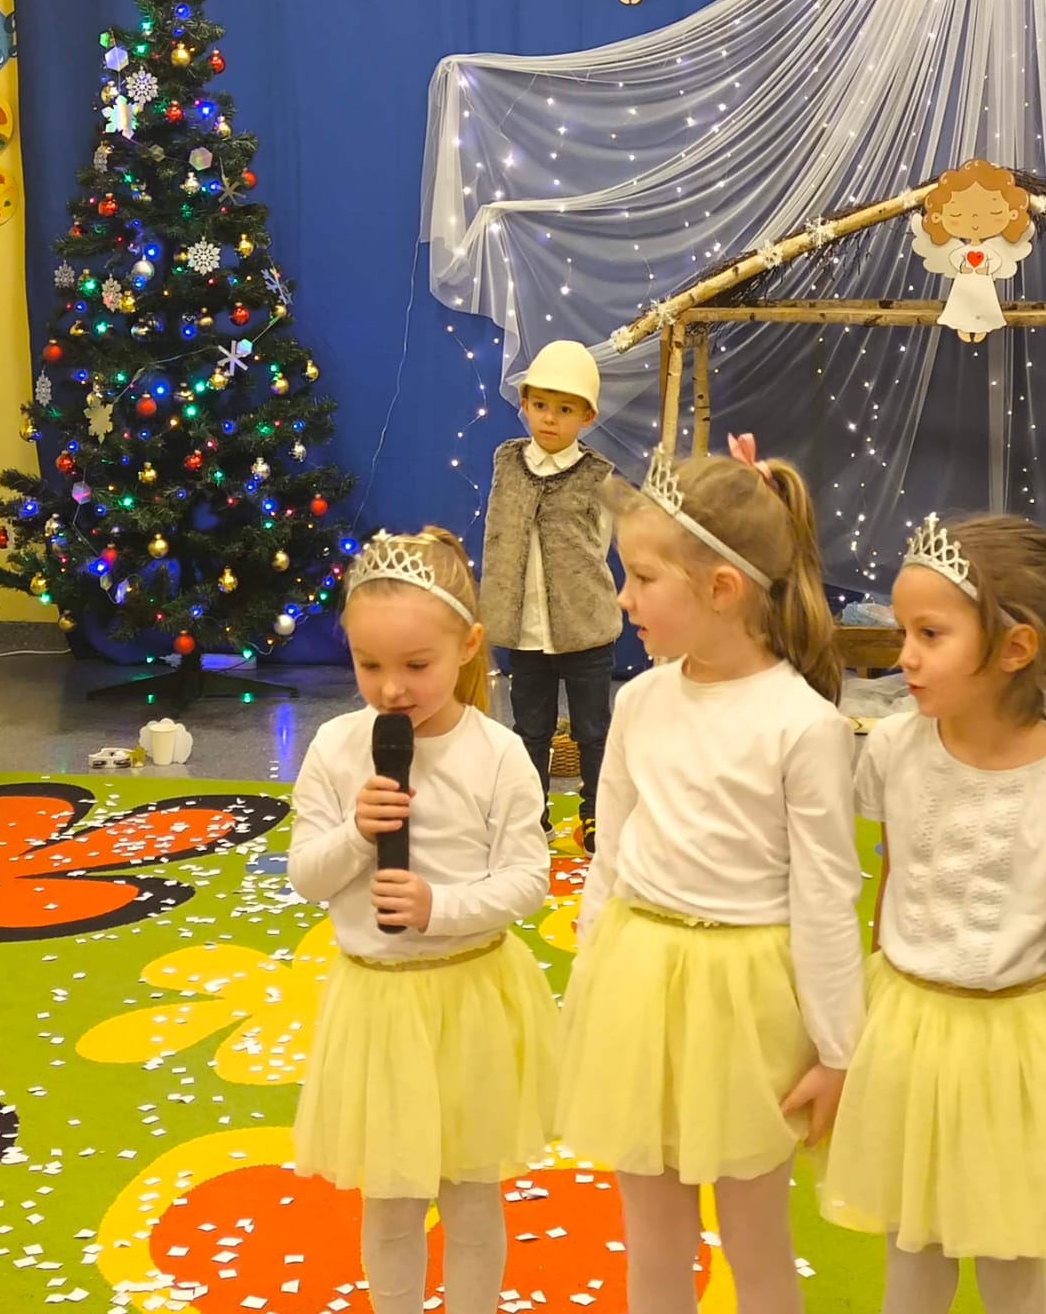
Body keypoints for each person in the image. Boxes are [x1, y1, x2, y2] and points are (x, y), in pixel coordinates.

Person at [559, 439, 861, 1314]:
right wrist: (590, 980)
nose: (624, 597)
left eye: (643, 578)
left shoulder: (802, 725)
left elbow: (826, 899)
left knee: (756, 1243)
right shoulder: (640, 700)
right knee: (654, 1242)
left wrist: (838, 1051)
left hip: (745, 1004)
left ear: (723, 588)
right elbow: (612, 853)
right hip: (638, 983)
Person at [822, 513, 1046, 1314]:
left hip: (1015, 1055)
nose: (904, 655)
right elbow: (893, 887)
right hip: (908, 1034)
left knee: (1012, 1269)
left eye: (930, 633)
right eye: (904, 631)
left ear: (1015, 648)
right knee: (911, 1255)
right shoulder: (893, 749)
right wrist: (861, 1035)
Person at [288, 528, 557, 1314]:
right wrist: (356, 832)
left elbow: (528, 878)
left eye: (416, 665)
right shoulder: (336, 747)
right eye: (368, 664)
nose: (391, 689)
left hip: (469, 998)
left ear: (467, 646)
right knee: (391, 1202)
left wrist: (442, 908)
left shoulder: (498, 753)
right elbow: (307, 876)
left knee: (471, 1197)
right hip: (377, 1006)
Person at [481, 341, 621, 851]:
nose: (549, 419)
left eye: (565, 410)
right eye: (540, 405)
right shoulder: (507, 462)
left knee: (593, 730)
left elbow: (599, 544)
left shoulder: (597, 475)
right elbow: (497, 532)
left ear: (587, 417)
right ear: (524, 404)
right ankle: (529, 813)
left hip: (585, 629)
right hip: (525, 630)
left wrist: (573, 591)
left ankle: (596, 813)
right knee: (530, 728)